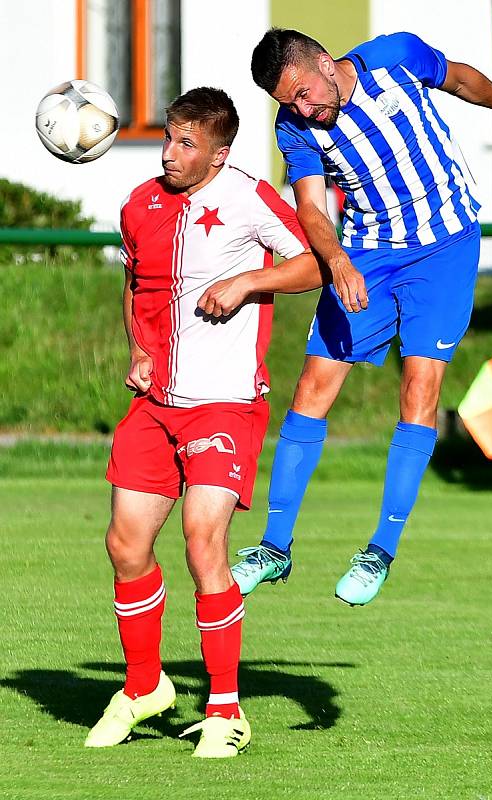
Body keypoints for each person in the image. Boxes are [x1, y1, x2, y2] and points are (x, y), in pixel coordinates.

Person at [229, 28, 492, 606]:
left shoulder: (395, 57)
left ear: (326, 63)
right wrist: (337, 262)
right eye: (289, 102)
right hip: (368, 254)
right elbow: (309, 206)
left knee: (419, 385)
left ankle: (379, 549)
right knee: (311, 387)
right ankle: (274, 547)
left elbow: (459, 78)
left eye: (305, 92)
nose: (304, 108)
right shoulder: (295, 129)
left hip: (446, 248)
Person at [84, 86, 323, 756]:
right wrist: (137, 346)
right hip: (156, 405)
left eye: (186, 143)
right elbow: (135, 288)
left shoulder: (247, 197)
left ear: (219, 154)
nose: (170, 153)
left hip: (223, 403)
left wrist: (248, 283)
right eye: (167, 137)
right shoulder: (141, 203)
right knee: (125, 546)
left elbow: (312, 264)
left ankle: (224, 707)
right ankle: (142, 687)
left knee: (201, 539)